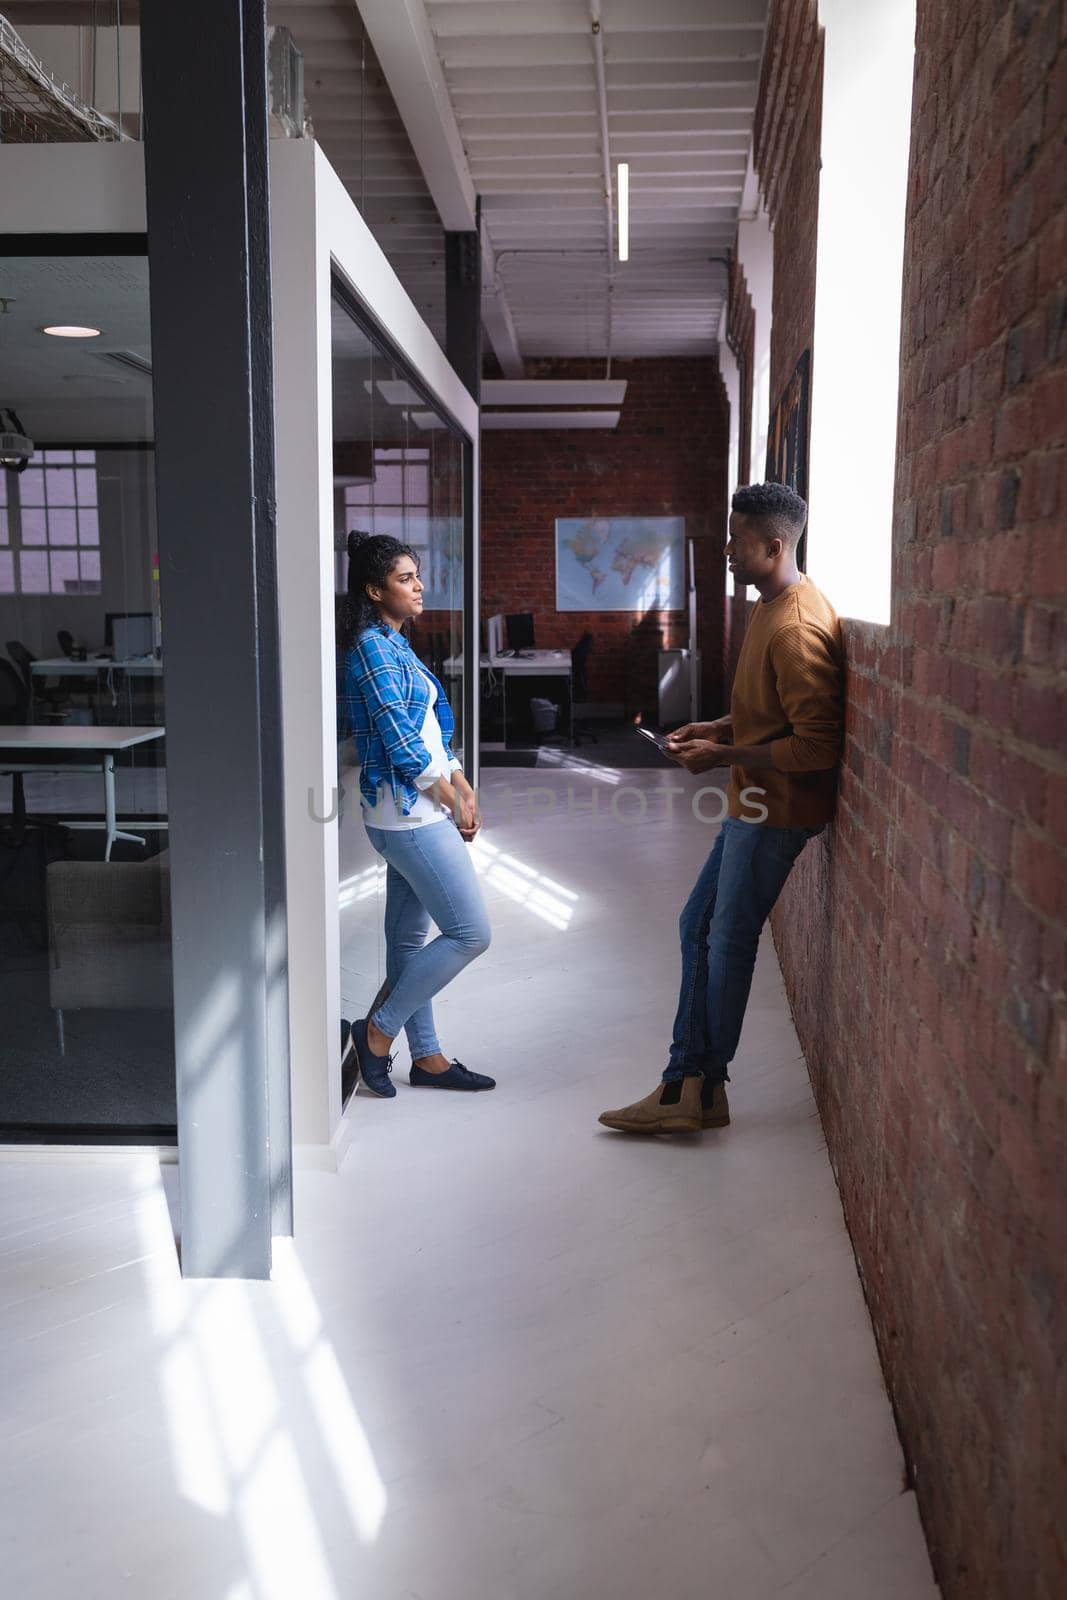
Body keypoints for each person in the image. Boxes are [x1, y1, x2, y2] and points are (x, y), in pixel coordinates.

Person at [599, 482, 844, 1135]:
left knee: (725, 939)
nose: (727, 553)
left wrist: (725, 757)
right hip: (753, 801)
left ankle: (692, 1087)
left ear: (772, 544)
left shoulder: (794, 625)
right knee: (696, 928)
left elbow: (815, 746)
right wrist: (716, 726)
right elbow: (768, 709)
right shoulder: (771, 603)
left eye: (736, 542)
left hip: (775, 809)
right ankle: (694, 1086)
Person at [342, 532, 494, 1098]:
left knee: (408, 941)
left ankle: (427, 1058)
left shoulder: (395, 641)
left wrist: (462, 783)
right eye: (406, 578)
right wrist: (453, 804)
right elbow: (403, 746)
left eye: (417, 575)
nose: (419, 586)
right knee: (469, 932)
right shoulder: (371, 649)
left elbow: (431, 730)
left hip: (420, 805)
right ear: (374, 589)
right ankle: (377, 1034)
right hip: (409, 814)